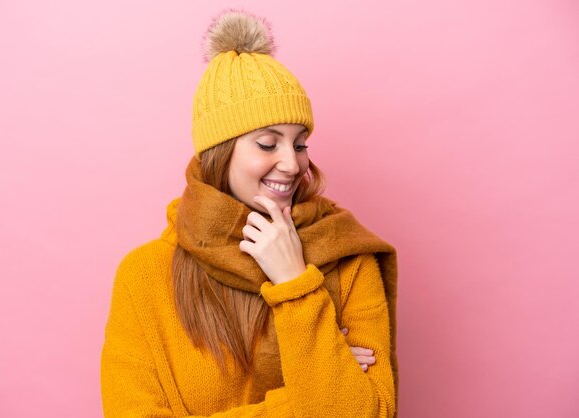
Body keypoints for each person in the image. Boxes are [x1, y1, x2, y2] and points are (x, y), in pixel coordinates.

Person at [100, 8, 399, 418]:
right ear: (220, 152)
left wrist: (295, 283)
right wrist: (315, 392)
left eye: (299, 144)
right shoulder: (144, 276)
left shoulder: (348, 259)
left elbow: (371, 414)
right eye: (266, 143)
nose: (292, 165)